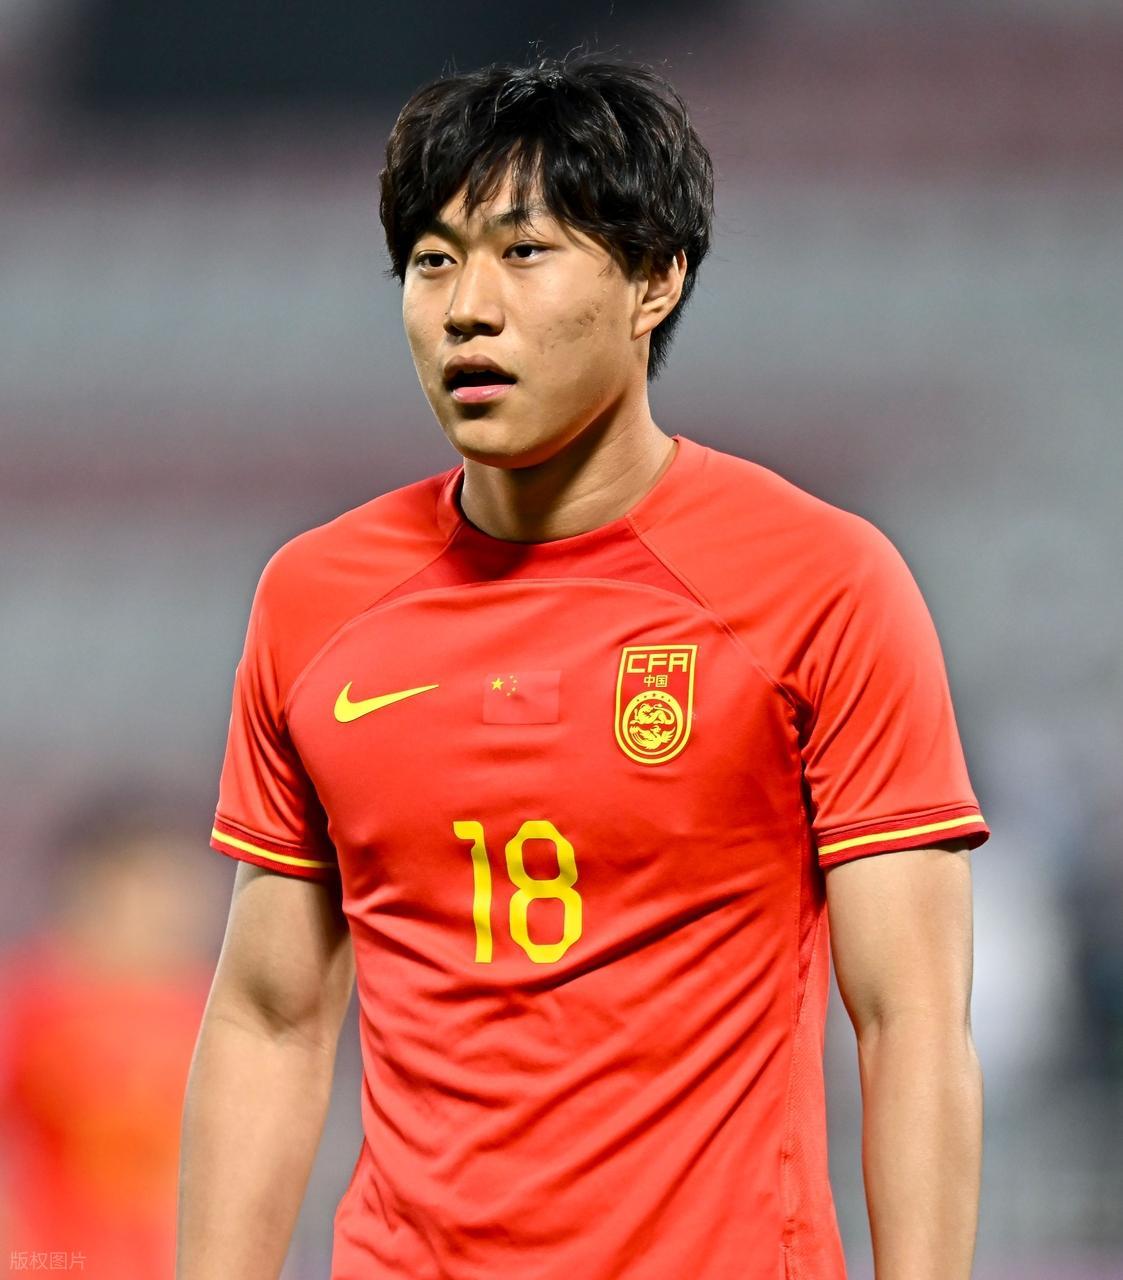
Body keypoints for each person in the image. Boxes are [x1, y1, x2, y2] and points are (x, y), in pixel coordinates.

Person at [177, 57, 990, 1280]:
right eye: (433, 261)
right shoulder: (314, 599)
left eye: (523, 252)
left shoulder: (822, 581)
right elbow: (269, 1016)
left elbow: (910, 1021)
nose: (466, 309)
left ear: (655, 279)